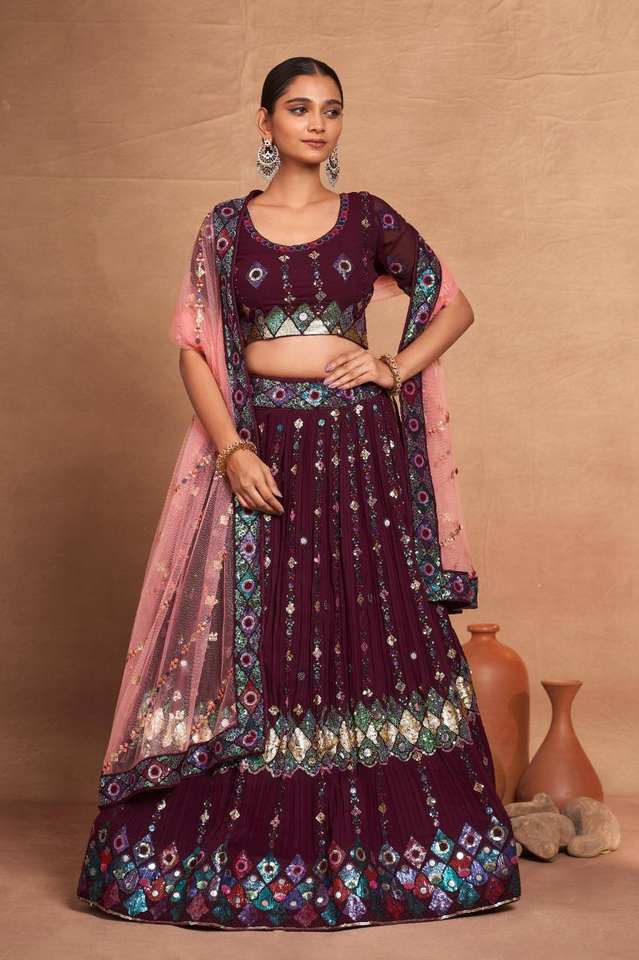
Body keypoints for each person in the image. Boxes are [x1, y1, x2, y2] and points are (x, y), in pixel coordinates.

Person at [76, 56, 521, 931]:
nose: (317, 124)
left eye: (331, 110)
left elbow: (452, 306)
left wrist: (392, 365)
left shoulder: (368, 218)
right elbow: (195, 348)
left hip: (357, 454)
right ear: (265, 121)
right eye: (298, 108)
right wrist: (232, 449)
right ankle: (246, 851)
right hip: (266, 447)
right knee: (267, 633)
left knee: (366, 632)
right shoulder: (224, 228)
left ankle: (393, 851)